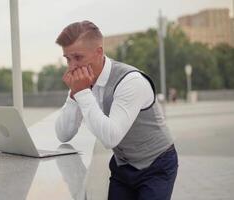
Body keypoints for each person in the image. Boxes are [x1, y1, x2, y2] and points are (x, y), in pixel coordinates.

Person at [54, 20, 178, 200]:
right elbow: (63, 134)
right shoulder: (83, 81)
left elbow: (110, 138)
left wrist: (81, 92)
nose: (71, 66)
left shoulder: (131, 81)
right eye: (67, 59)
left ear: (99, 52)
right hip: (122, 167)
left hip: (156, 165)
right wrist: (75, 95)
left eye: (78, 57)